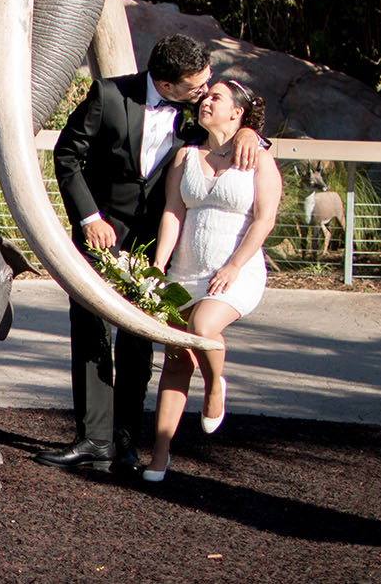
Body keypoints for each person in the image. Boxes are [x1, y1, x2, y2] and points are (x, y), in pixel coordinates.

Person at [38, 34, 261, 474]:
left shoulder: (200, 113)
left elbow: (236, 129)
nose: (206, 90)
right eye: (198, 84)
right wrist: (89, 218)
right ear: (168, 81)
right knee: (91, 332)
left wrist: (252, 129)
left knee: (139, 338)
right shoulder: (108, 95)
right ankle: (92, 439)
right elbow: (67, 156)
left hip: (158, 242)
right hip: (101, 235)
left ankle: (124, 440)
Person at [140, 79, 279, 483]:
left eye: (216, 98)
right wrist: (158, 267)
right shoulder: (186, 155)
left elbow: (264, 218)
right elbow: (173, 212)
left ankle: (216, 383)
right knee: (176, 358)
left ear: (237, 112)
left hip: (236, 271)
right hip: (185, 271)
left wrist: (234, 266)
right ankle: (160, 456)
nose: (206, 101)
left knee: (201, 327)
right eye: (206, 97)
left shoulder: (258, 157)